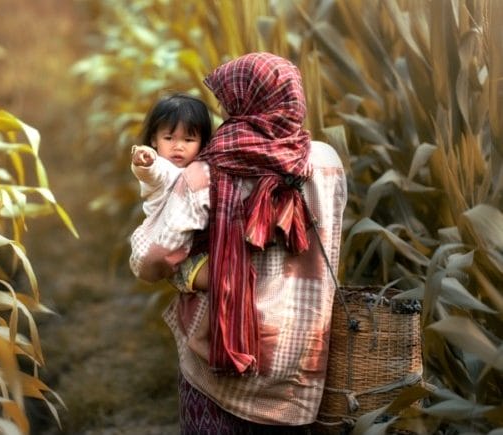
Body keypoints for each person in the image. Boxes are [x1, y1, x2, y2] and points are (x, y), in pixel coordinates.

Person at [129, 52, 347, 433]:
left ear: (245, 100)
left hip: (225, 351)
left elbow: (151, 260)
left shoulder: (210, 169)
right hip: (302, 352)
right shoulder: (327, 162)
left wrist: (185, 275)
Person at [130, 93, 213, 360]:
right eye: (169, 138)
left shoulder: (199, 169)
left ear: (202, 143)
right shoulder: (165, 171)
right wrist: (146, 160)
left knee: (228, 282)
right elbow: (154, 172)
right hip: (181, 259)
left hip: (195, 253)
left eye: (188, 139)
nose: (178, 147)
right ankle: (201, 342)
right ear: (154, 140)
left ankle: (205, 337)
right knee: (224, 280)